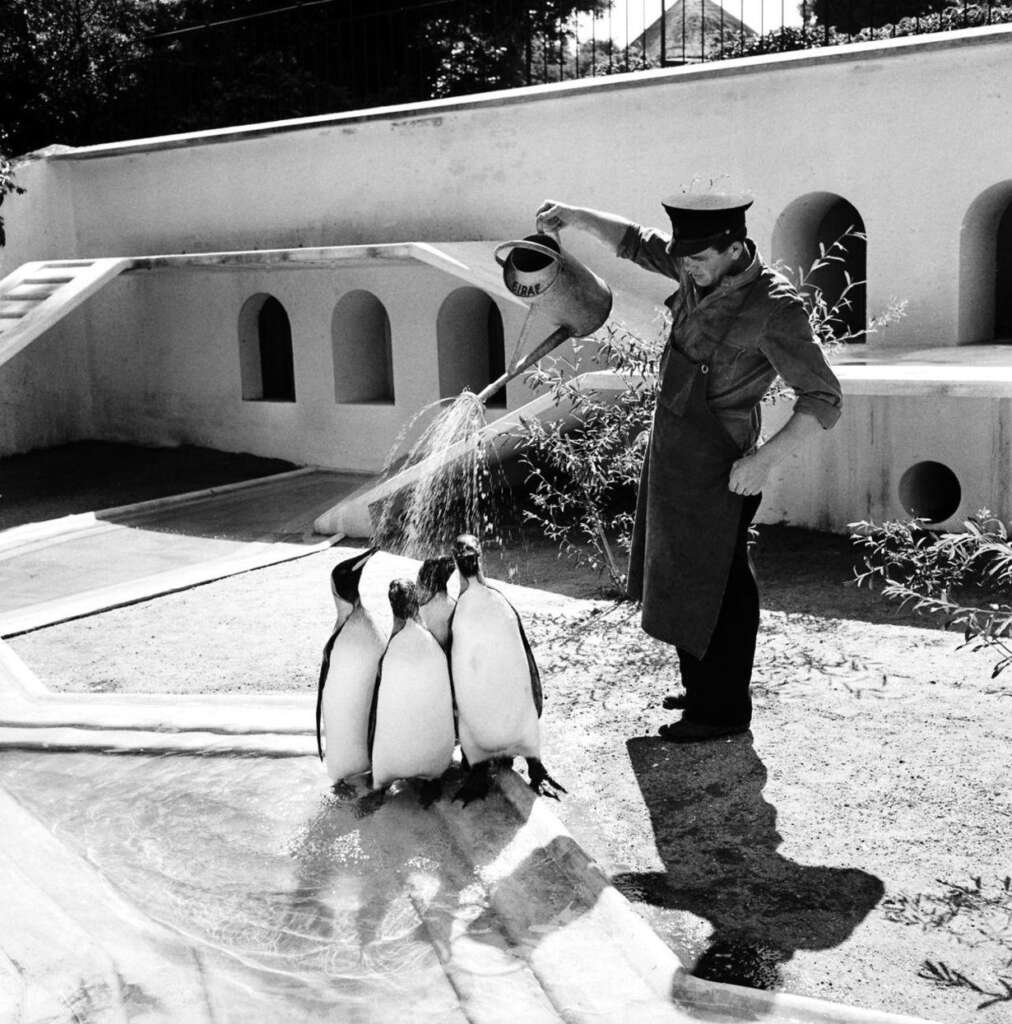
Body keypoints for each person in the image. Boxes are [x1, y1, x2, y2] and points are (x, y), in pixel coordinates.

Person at [535, 192, 843, 742]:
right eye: (686, 259)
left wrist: (762, 461)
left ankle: (722, 711)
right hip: (676, 443)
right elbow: (632, 240)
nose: (689, 268)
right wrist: (575, 217)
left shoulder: (775, 309)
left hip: (720, 456)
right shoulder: (694, 260)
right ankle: (703, 686)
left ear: (734, 247)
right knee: (681, 569)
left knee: (719, 583)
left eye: (700, 260)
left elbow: (823, 398)